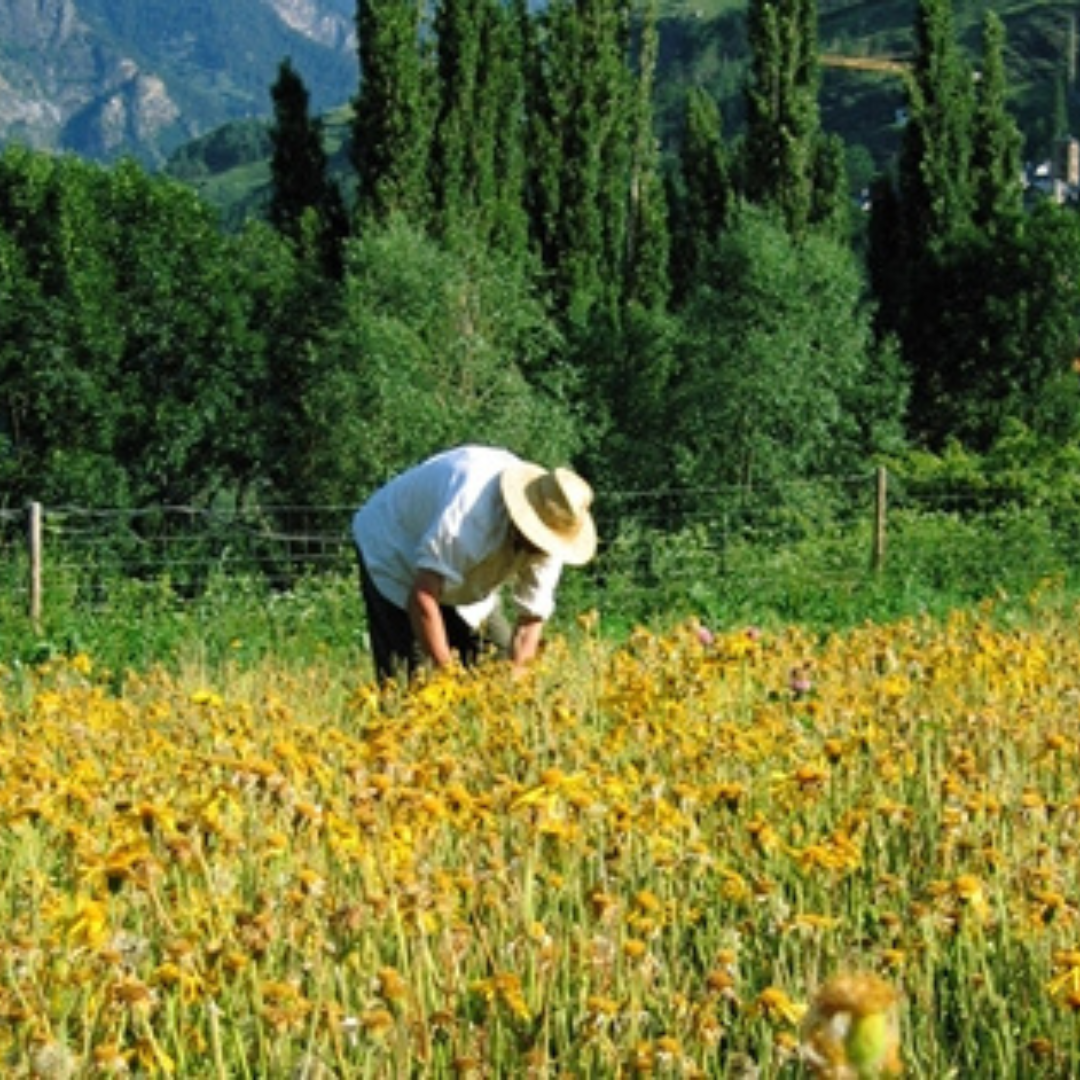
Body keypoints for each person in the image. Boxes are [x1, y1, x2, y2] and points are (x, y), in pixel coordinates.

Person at [352, 445, 598, 681]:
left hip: (464, 580)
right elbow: (422, 597)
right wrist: (447, 677)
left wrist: (516, 683)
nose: (539, 548)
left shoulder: (555, 529)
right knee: (413, 685)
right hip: (394, 553)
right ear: (521, 519)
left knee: (496, 666)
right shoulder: (469, 516)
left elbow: (530, 620)